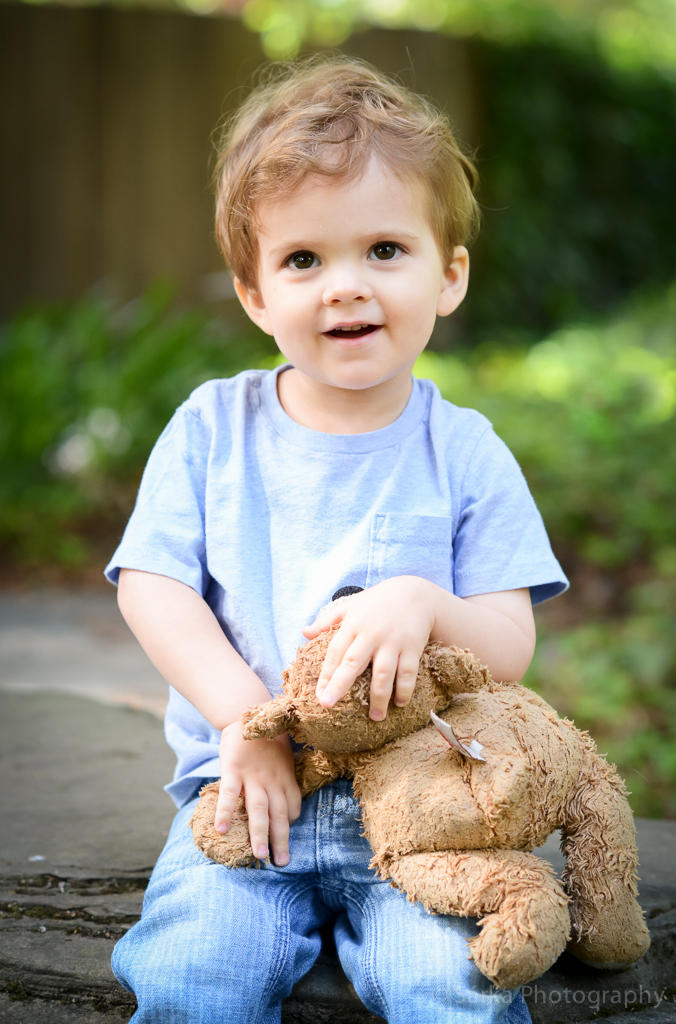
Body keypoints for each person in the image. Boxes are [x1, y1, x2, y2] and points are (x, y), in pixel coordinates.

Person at [106, 56, 568, 1024]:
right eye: (303, 260)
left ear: (448, 277)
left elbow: (506, 643)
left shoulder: (463, 450)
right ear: (253, 294)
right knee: (194, 980)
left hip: (424, 815)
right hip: (242, 801)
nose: (343, 287)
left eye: (384, 250)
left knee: (451, 989)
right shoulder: (211, 426)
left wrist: (422, 601)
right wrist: (245, 720)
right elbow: (151, 585)